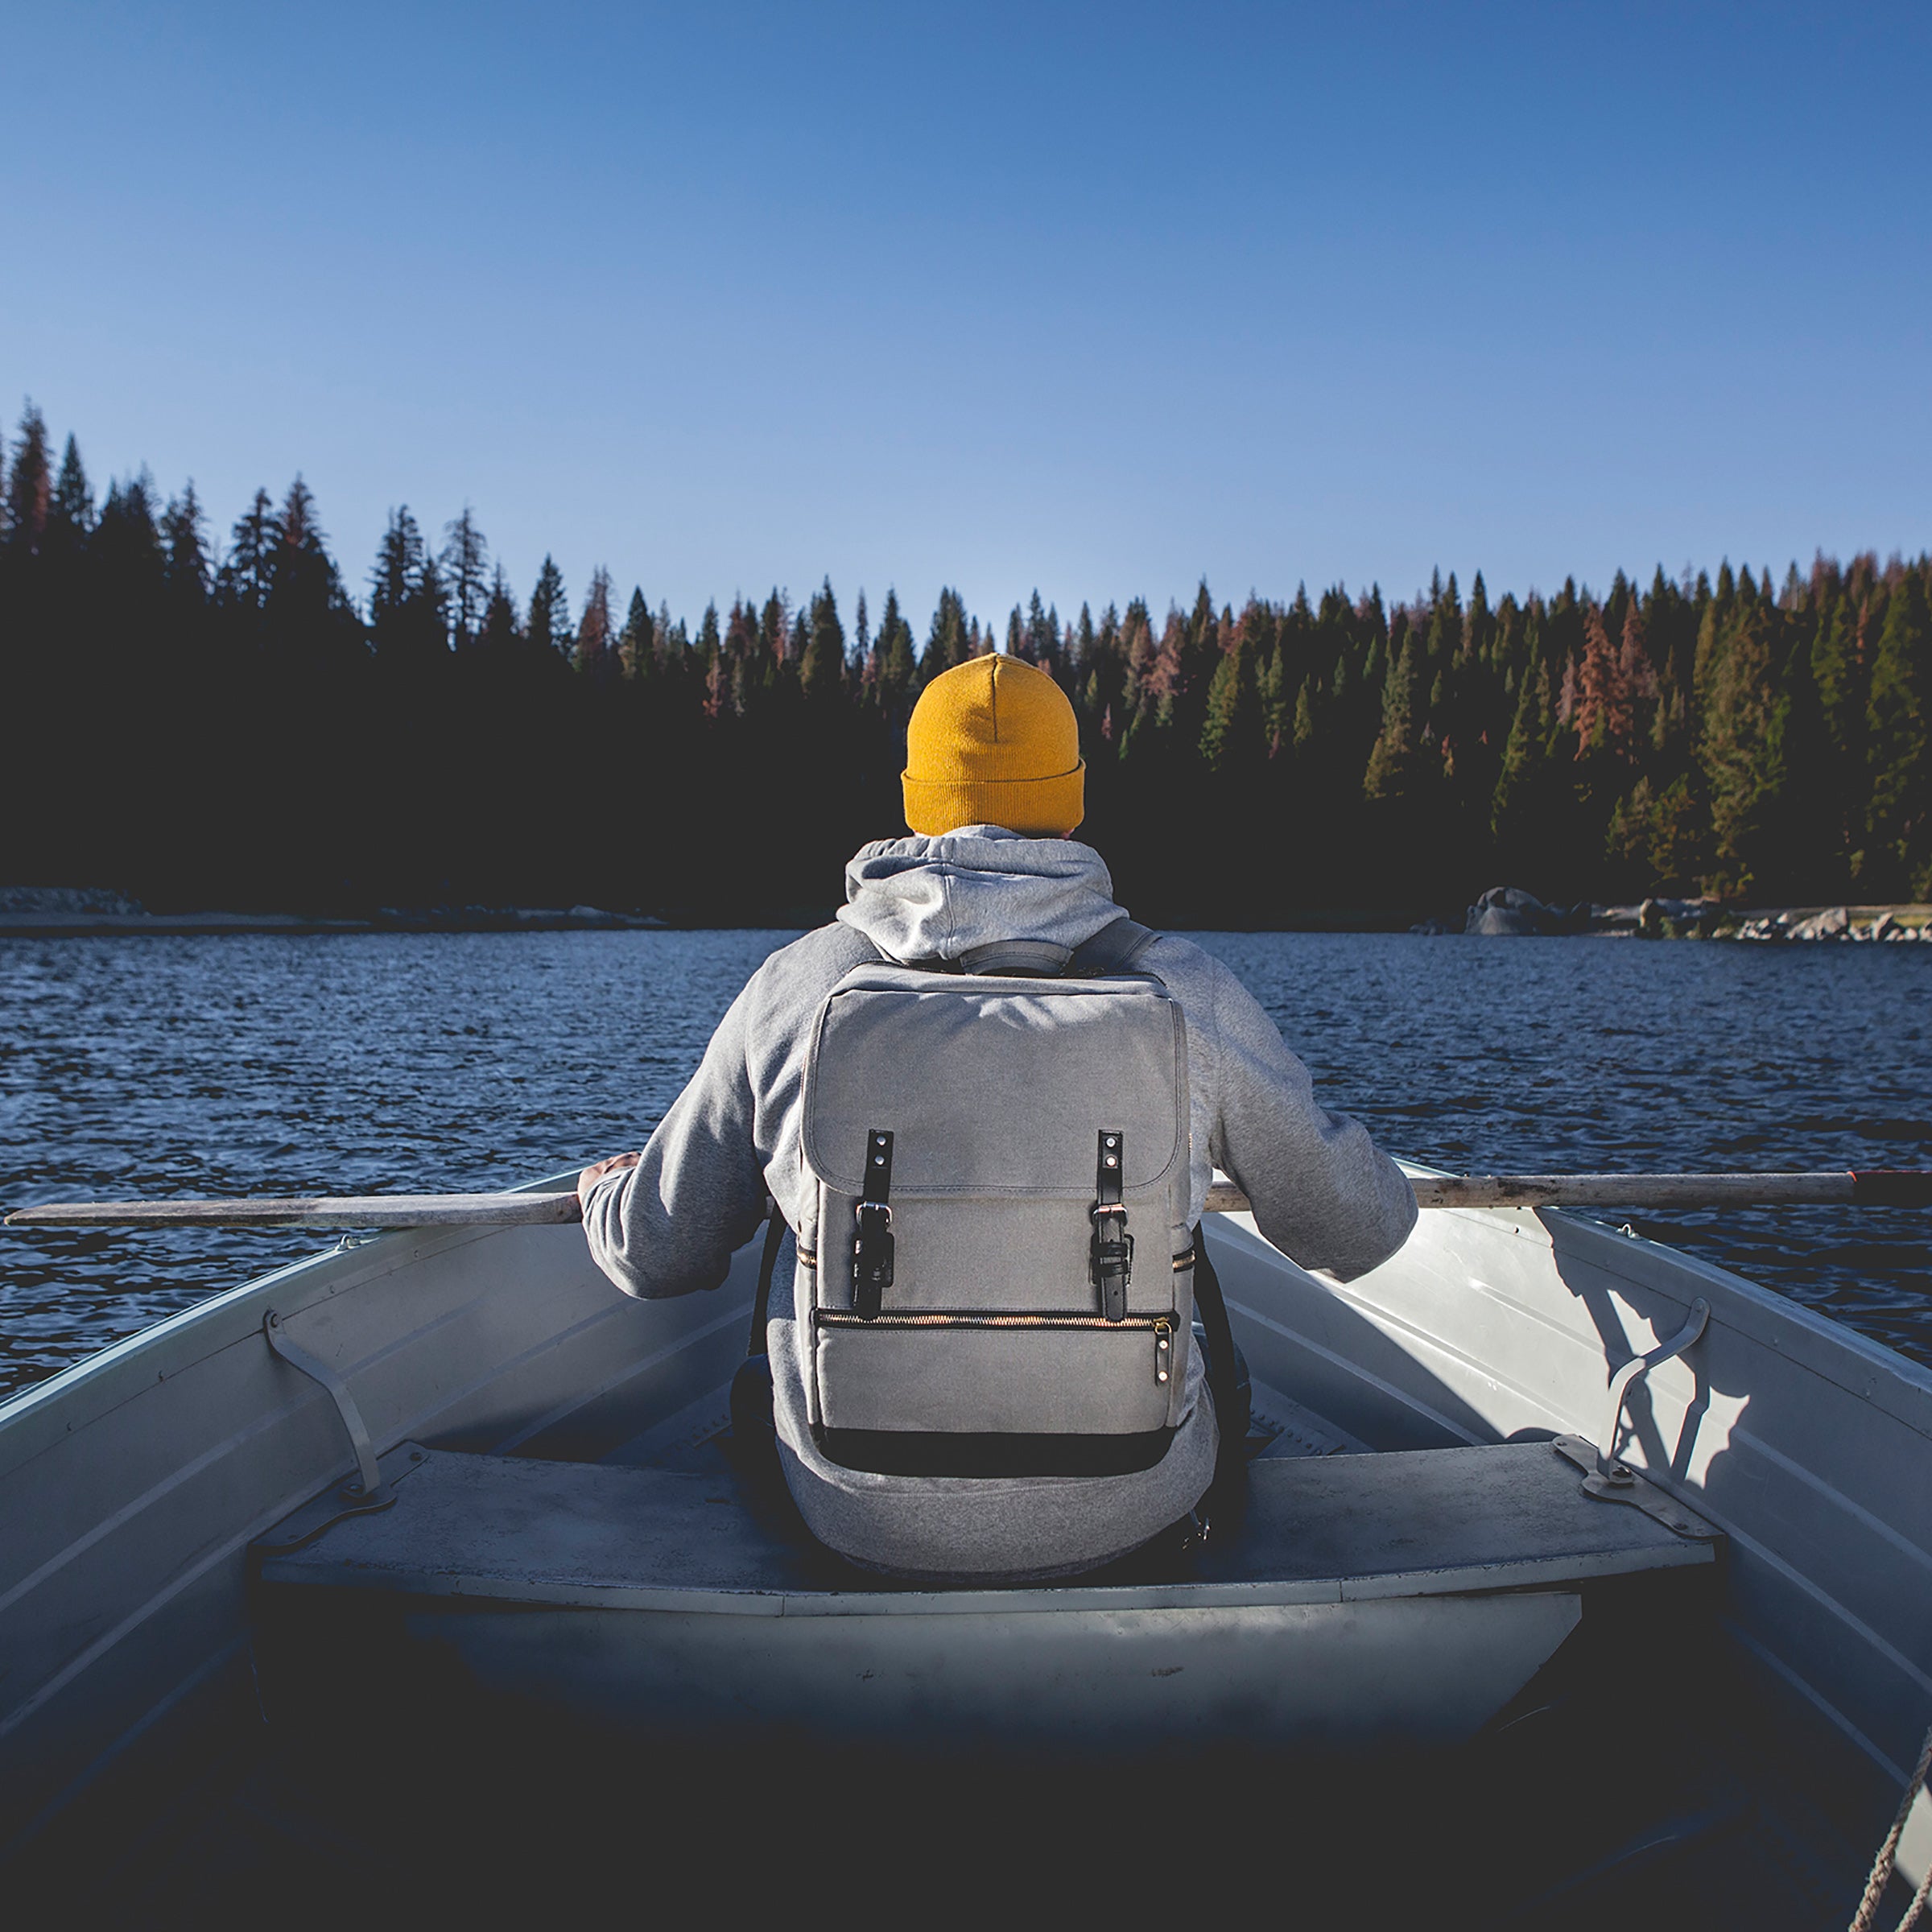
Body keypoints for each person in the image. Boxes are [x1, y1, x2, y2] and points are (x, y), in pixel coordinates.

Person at [579, 652, 1415, 1580]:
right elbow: (1358, 1229)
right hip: (1133, 1506)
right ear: (1072, 800)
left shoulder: (798, 988)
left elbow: (656, 1253)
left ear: (914, 799)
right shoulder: (1183, 992)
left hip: (852, 1516)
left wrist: (604, 1195)